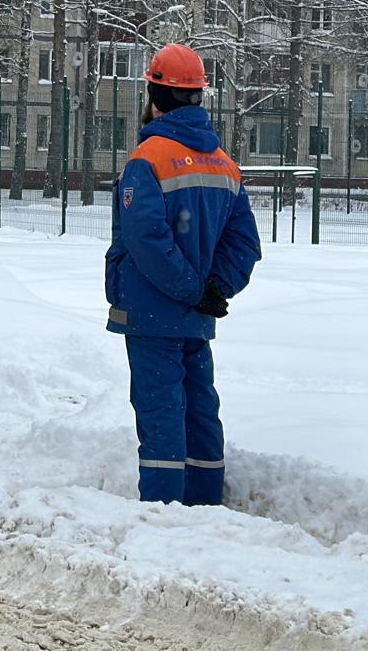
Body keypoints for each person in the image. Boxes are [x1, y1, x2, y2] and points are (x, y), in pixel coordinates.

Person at [105, 44, 262, 506]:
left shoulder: (147, 158)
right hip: (195, 318)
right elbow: (245, 244)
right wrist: (215, 290)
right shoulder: (224, 164)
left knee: (161, 416)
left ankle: (163, 514)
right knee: (200, 412)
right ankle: (205, 505)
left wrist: (192, 290)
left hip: (154, 315)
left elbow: (146, 238)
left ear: (154, 95)